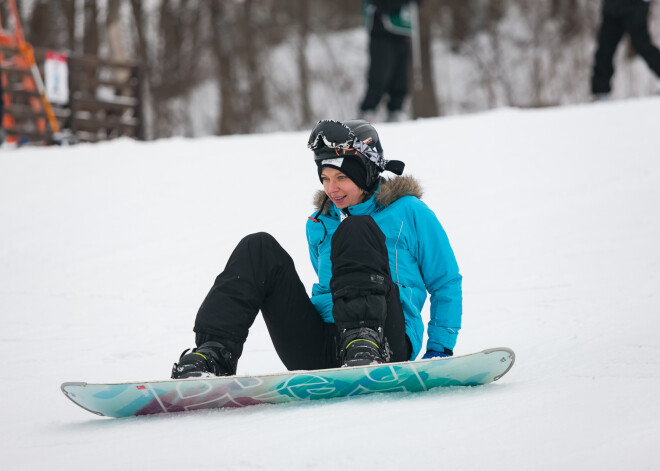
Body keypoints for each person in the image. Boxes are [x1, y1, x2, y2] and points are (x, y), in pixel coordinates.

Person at [171, 119, 462, 379]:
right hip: (319, 347)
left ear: (365, 171)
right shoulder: (321, 223)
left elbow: (445, 281)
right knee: (258, 247)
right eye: (325, 178)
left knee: (357, 227)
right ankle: (213, 355)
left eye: (341, 177)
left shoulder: (409, 212)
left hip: (386, 342)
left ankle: (363, 341)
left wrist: (439, 348)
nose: (331, 188)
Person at [359, 0, 417, 122]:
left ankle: (396, 110)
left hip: (401, 31)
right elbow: (383, 5)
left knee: (401, 78)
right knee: (380, 75)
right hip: (381, 32)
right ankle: (368, 112)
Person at [591, 0, 660, 100]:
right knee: (604, 51)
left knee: (643, 46)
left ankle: (601, 92)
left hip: (635, 6)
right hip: (611, 8)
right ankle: (601, 93)